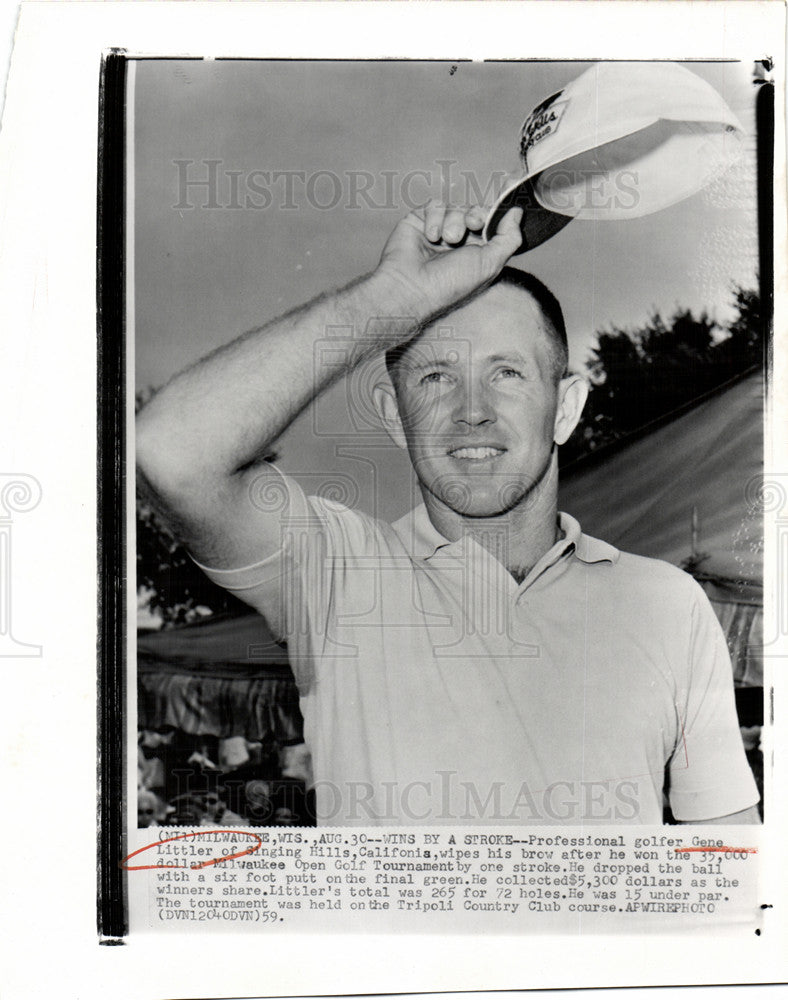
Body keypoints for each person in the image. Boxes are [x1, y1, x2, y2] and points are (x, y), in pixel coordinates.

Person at [136, 202, 760, 826]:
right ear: (393, 415)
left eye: (507, 373)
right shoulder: (338, 577)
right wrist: (389, 300)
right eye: (436, 377)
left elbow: (731, 873)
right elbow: (170, 453)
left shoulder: (668, 604)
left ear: (565, 409)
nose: (472, 412)